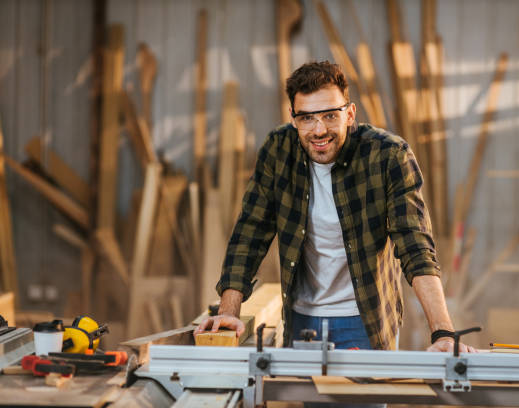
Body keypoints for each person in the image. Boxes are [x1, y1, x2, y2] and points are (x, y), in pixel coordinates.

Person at [194, 61, 475, 354]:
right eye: (307, 118)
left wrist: (443, 332)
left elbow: (415, 246)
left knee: (363, 398)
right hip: (301, 318)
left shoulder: (388, 155)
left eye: (330, 115)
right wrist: (228, 311)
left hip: (366, 320)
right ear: (293, 118)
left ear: (350, 113)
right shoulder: (278, 150)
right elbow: (250, 234)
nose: (319, 130)